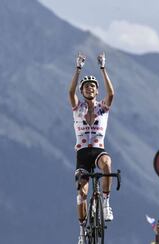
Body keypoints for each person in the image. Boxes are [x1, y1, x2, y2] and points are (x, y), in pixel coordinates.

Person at [68, 52, 115, 244]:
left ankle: (105, 204)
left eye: (92, 87)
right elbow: (70, 93)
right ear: (83, 91)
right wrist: (78, 68)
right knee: (82, 194)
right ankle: (81, 230)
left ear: (96, 91)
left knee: (107, 163)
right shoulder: (77, 107)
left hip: (97, 150)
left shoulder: (102, 108)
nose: (89, 88)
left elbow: (111, 93)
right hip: (82, 155)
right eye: (86, 87)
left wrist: (103, 69)